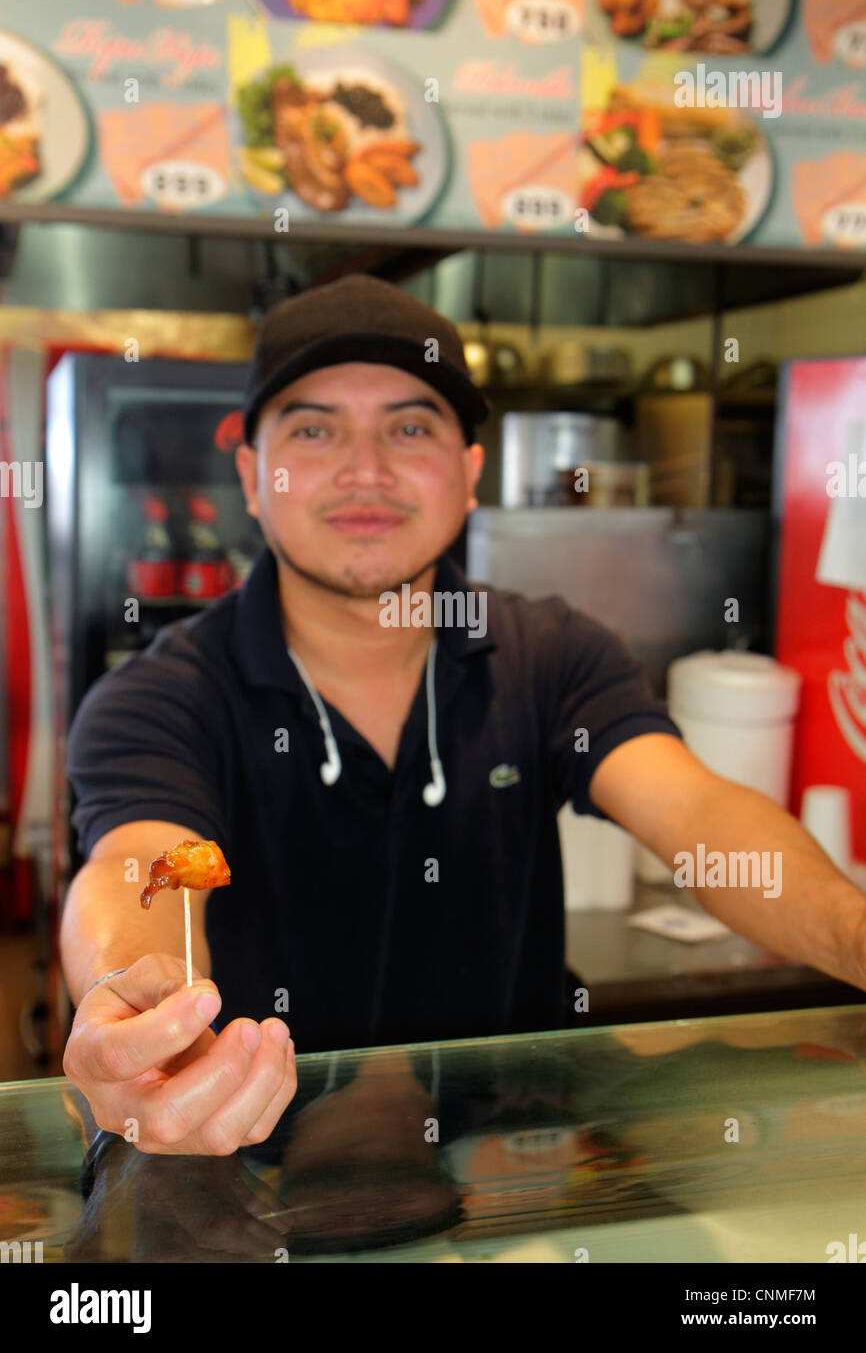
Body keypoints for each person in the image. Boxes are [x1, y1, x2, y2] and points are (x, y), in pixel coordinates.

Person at [62, 273, 866, 1159]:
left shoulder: (551, 655)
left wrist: (854, 933)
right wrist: (136, 1006)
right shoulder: (161, 695)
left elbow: (700, 814)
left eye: (410, 428)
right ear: (253, 475)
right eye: (314, 428)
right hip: (246, 1178)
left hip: (510, 1189)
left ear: (470, 473)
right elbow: (138, 863)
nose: (365, 468)